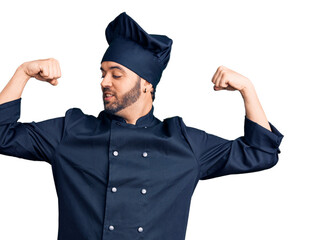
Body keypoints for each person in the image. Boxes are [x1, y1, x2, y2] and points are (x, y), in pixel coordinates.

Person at [0, 12, 284, 240]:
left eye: (116, 74)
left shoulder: (184, 143)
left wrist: (248, 89)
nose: (104, 82)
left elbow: (261, 152)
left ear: (147, 83)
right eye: (103, 73)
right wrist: (22, 72)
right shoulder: (71, 132)